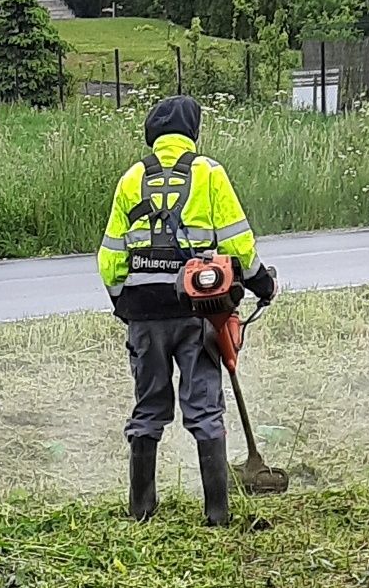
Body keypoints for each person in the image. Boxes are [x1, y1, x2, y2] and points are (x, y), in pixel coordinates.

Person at [98, 95, 276, 526]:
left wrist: (126, 302)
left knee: (148, 407)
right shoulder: (208, 174)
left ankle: (141, 510)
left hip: (144, 315)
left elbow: (109, 258)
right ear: (192, 134)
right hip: (198, 312)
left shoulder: (130, 179)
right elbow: (237, 240)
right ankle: (217, 513)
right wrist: (261, 283)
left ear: (152, 136)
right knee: (203, 408)